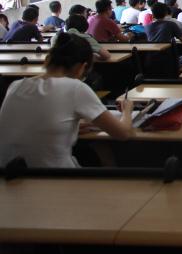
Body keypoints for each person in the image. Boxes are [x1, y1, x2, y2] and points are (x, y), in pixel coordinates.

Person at [0, 34, 133, 168]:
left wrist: (68, 127)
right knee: (102, 151)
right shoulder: (76, 88)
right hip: (53, 176)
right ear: (81, 67)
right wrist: (127, 110)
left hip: (8, 174)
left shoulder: (15, 86)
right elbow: (123, 133)